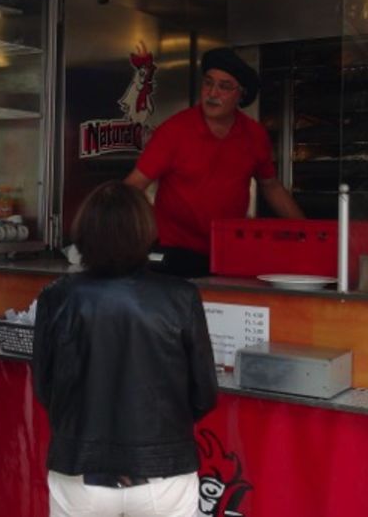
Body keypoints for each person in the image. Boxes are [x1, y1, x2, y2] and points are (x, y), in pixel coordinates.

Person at [33, 181, 218, 517]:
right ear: (146, 232)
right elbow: (204, 394)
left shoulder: (56, 296)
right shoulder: (181, 296)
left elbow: (45, 388)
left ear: (84, 233)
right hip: (164, 473)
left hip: (80, 471)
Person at [125, 47, 304, 277]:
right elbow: (132, 187)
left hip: (229, 250)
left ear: (241, 95)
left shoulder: (254, 135)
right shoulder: (174, 131)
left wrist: (306, 233)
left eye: (224, 86)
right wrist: (149, 229)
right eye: (208, 83)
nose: (212, 92)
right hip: (174, 250)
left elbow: (271, 186)